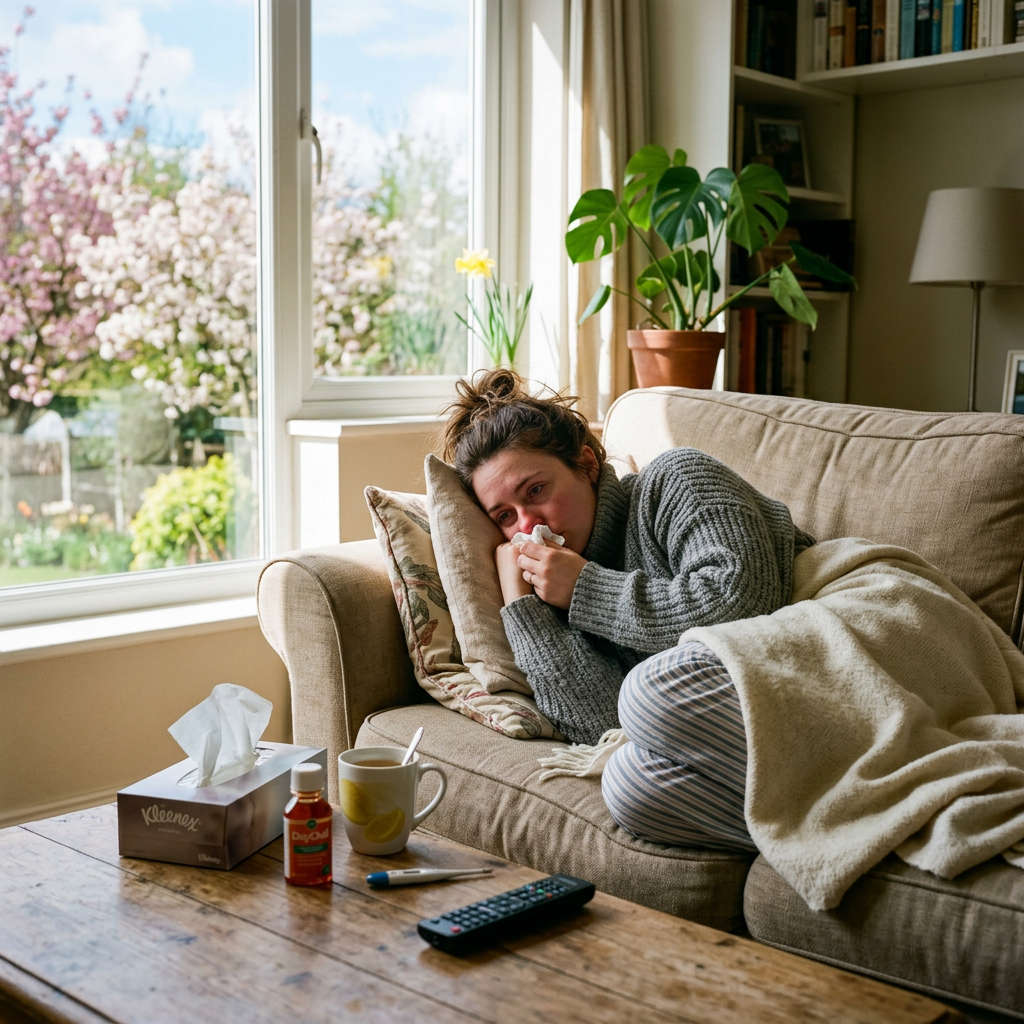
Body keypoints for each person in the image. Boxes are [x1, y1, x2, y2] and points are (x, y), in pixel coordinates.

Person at [442, 368, 815, 853]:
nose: (529, 525)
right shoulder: (553, 588)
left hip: (838, 625)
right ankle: (807, 832)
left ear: (587, 464)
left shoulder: (676, 478)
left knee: (645, 689)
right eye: (505, 516)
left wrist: (587, 589)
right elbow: (603, 725)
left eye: (535, 491)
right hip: (751, 716)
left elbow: (743, 606)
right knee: (629, 784)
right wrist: (521, 606)